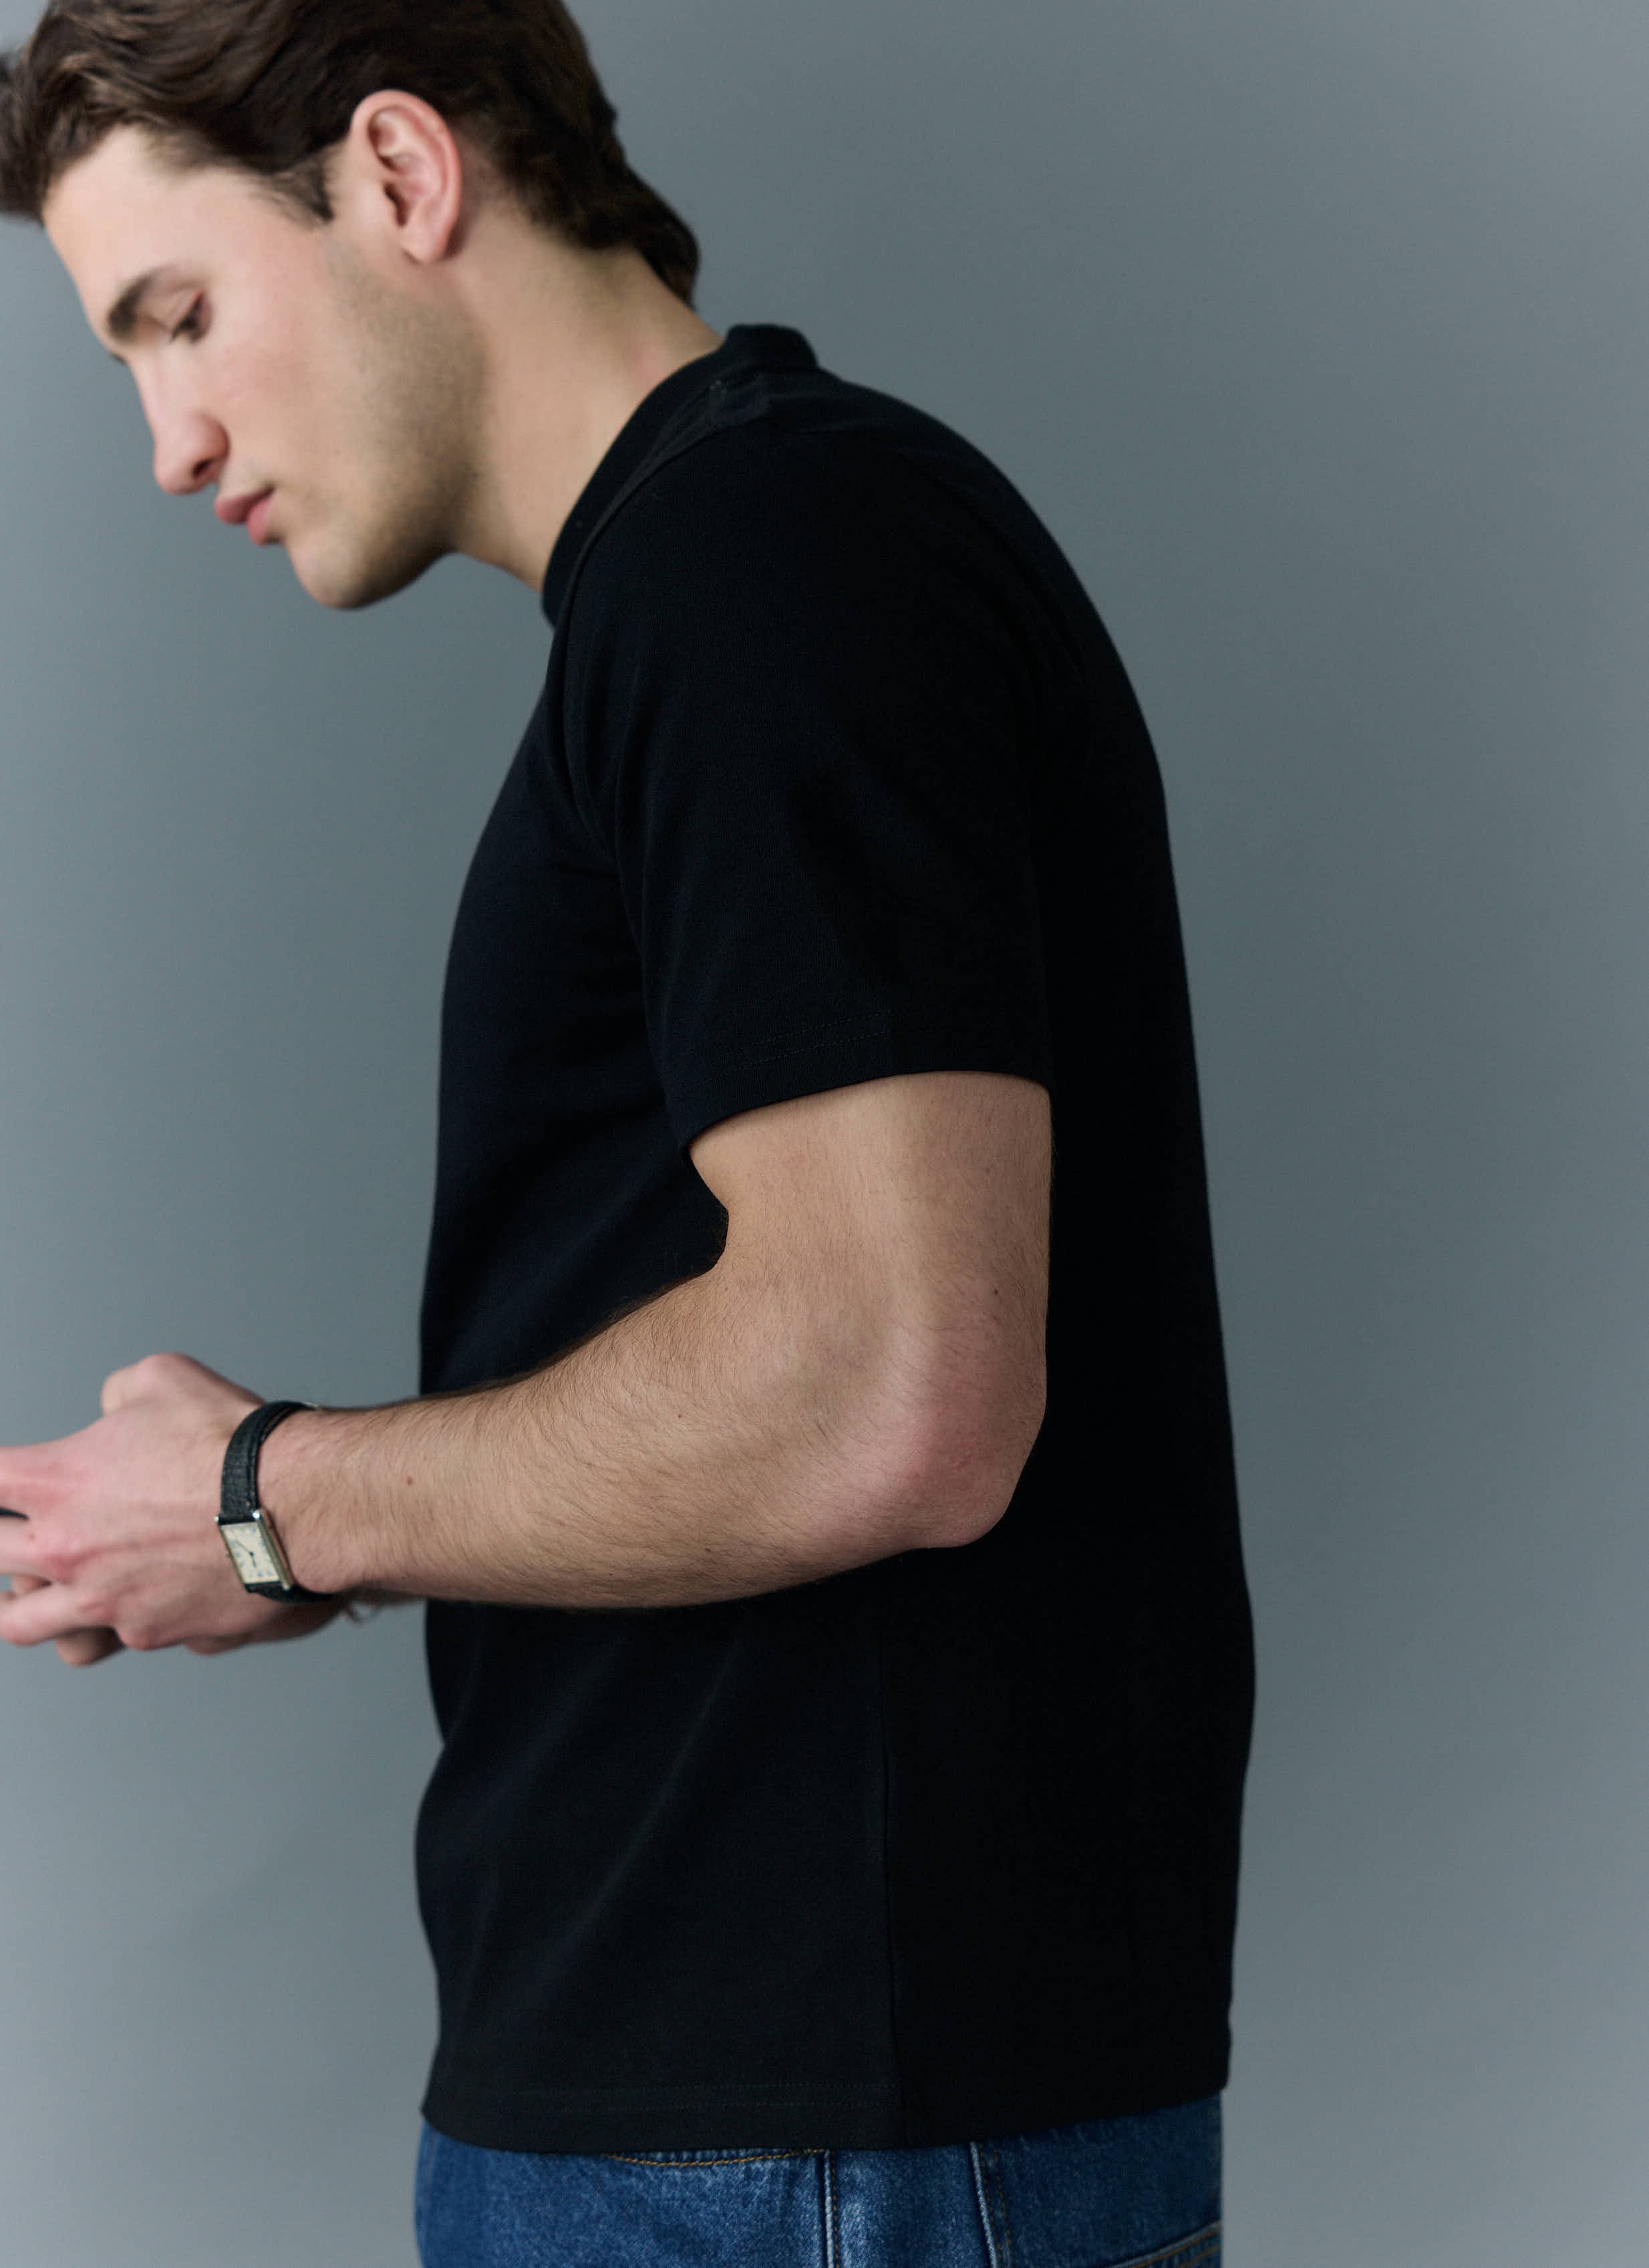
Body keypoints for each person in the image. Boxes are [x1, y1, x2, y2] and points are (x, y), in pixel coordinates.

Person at [0, 5, 1255, 2263]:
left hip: (803, 2158)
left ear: (395, 172)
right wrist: (270, 1507)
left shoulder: (769, 569)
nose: (170, 442)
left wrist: (279, 1501)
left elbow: (894, 1392)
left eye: (174, 315)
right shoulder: (718, 587)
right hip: (753, 2133)